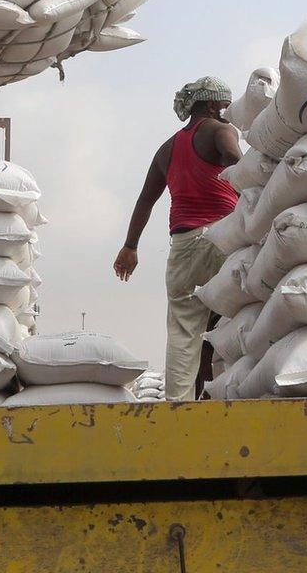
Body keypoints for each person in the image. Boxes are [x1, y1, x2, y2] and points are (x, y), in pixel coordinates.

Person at [113, 77, 243, 401]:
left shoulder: (167, 149)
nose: (226, 114)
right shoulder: (220, 130)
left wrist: (130, 246)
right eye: (223, 107)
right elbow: (235, 160)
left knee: (185, 333)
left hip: (184, 248)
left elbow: (146, 199)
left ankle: (179, 409)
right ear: (212, 105)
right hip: (224, 239)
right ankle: (230, 399)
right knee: (236, 318)